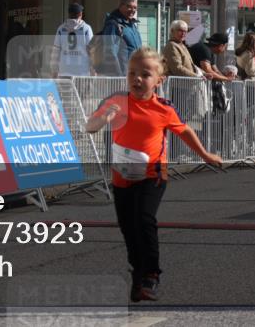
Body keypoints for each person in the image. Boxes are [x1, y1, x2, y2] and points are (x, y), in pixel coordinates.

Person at [85, 48, 223, 302]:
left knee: (143, 219)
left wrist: (206, 155)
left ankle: (151, 274)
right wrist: (104, 117)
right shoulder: (116, 101)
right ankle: (138, 274)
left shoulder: (164, 109)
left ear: (159, 80)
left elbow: (185, 132)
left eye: (145, 74)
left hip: (153, 173)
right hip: (122, 176)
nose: (137, 79)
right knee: (128, 228)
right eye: (132, 73)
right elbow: (90, 127)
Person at [97, 0, 143, 76]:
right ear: (121, 6)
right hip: (121, 75)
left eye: (135, 8)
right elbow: (110, 52)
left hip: (134, 73)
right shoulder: (113, 25)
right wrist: (119, 75)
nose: (132, 10)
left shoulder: (132, 25)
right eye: (129, 6)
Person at [51, 2, 94, 77]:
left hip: (64, 71)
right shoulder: (86, 29)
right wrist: (93, 69)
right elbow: (91, 51)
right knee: (81, 89)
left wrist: (54, 70)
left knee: (65, 89)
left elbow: (55, 51)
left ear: (69, 14)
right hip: (82, 72)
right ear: (80, 14)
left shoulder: (61, 29)